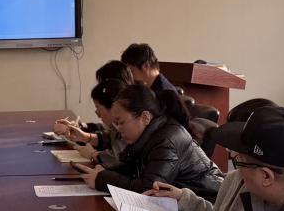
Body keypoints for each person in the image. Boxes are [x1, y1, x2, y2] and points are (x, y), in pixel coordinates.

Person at [147, 97, 277, 211]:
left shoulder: (269, 194)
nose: (230, 153)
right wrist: (181, 197)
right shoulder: (233, 178)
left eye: (236, 144)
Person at [80, 83, 222, 199]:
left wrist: (102, 179)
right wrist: (105, 172)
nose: (118, 129)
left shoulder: (166, 140)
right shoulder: (150, 134)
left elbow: (150, 189)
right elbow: (135, 171)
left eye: (121, 122)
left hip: (208, 203)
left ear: (145, 118)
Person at [53, 79, 128, 168]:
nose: (97, 113)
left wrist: (93, 155)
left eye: (98, 108)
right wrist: (85, 137)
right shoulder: (115, 126)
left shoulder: (127, 128)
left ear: (113, 107)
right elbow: (108, 139)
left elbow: (116, 158)